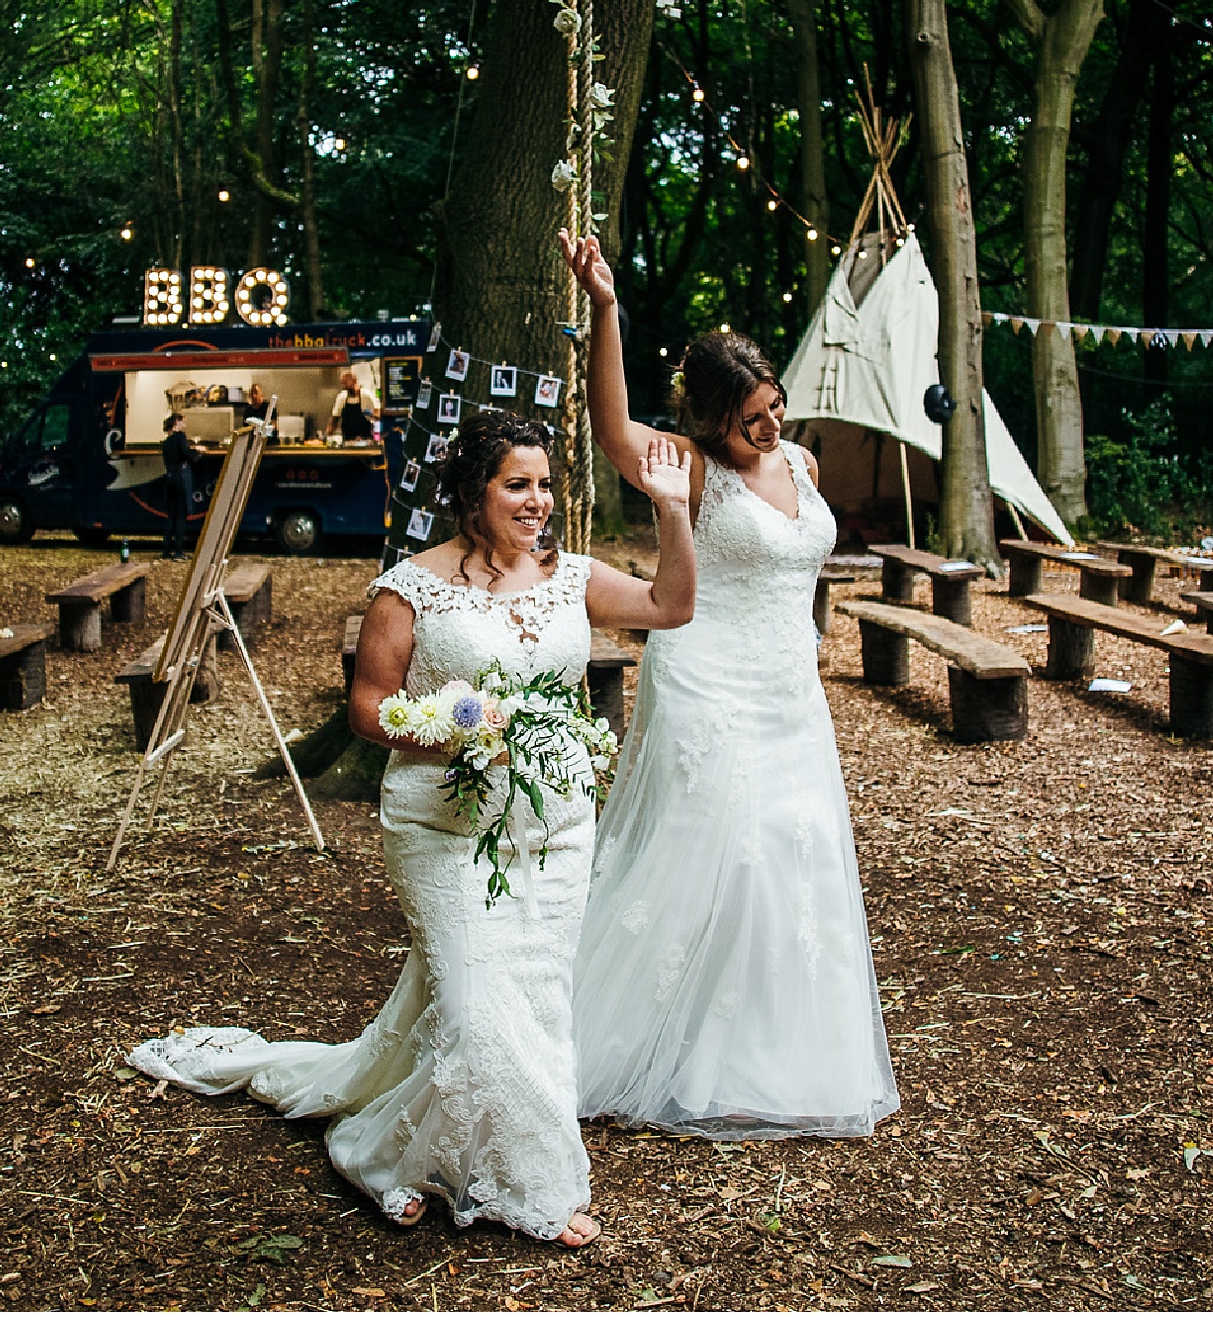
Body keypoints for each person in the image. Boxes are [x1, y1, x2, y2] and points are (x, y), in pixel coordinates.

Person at [129, 411, 698, 1244]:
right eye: (517, 484)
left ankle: (388, 1146)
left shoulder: (573, 576)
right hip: (442, 824)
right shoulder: (411, 586)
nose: (537, 501)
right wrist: (470, 723)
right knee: (473, 1009)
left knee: (534, 1006)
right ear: (474, 491)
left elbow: (673, 605)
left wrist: (673, 509)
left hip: (557, 829)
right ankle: (509, 1180)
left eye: (543, 484)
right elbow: (366, 709)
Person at [558, 229, 899, 1140]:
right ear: (711, 421)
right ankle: (666, 1044)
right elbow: (610, 431)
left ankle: (774, 1051)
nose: (771, 428)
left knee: (795, 851)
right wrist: (605, 309)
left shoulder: (804, 465)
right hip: (705, 680)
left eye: (775, 408)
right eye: (751, 417)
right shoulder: (693, 467)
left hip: (789, 688)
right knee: (722, 850)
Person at [159, 413, 195, 561]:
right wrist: (197, 451)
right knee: (181, 515)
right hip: (180, 478)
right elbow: (185, 453)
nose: (184, 425)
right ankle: (179, 550)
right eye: (182, 422)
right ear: (176, 423)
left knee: (171, 516)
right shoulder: (180, 437)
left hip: (169, 478)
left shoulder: (165, 442)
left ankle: (166, 551)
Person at [329, 368, 378, 443]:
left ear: (355, 381)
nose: (344, 385)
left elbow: (373, 418)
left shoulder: (366, 397)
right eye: (343, 383)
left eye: (346, 382)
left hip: (366, 440)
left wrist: (377, 437)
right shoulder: (341, 397)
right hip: (348, 440)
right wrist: (330, 433)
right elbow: (335, 418)